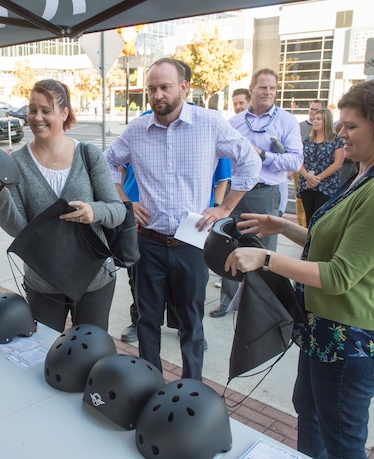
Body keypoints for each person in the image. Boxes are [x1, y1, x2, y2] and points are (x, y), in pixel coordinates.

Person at [225, 79, 374, 459]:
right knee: (310, 416)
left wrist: (266, 258)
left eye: (351, 126)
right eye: (341, 123)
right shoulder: (367, 174)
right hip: (325, 331)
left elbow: (338, 275)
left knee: (342, 440)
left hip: (353, 342)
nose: (340, 133)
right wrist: (282, 226)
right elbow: (332, 241)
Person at [104, 57, 261, 379]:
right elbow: (106, 165)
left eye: (165, 87)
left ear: (184, 87)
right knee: (147, 319)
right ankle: (150, 383)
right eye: (152, 89)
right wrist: (124, 203)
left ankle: (193, 388)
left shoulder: (210, 123)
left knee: (191, 322)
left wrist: (225, 208)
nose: (158, 95)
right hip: (147, 244)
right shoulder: (136, 130)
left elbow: (249, 161)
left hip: (191, 243)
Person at [0, 79, 125, 333]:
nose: (37, 118)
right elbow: (20, 231)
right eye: (32, 109)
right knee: (45, 353)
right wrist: (0, 197)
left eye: (46, 110)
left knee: (90, 352)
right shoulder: (17, 164)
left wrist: (94, 211)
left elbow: (117, 211)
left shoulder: (89, 155)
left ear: (64, 113)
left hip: (95, 278)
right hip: (43, 282)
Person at [210, 68, 303, 318]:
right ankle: (227, 301)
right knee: (229, 243)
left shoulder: (286, 121)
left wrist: (263, 155)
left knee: (264, 249)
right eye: (263, 87)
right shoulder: (236, 122)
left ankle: (260, 306)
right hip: (236, 191)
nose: (268, 92)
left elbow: (295, 162)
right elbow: (219, 156)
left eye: (273, 88)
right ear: (251, 89)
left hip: (265, 192)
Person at [297, 108, 345, 223]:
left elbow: (338, 163)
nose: (315, 121)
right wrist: (308, 177)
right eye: (314, 119)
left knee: (321, 219)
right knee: (309, 218)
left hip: (326, 185)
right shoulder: (306, 140)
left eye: (319, 119)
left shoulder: (336, 140)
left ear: (326, 121)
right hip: (307, 184)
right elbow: (298, 160)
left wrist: (318, 178)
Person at [294, 100, 325, 227]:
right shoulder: (300, 127)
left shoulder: (332, 136)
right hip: (302, 171)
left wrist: (317, 177)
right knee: (301, 202)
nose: (313, 113)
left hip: (321, 176)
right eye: (311, 109)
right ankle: (302, 228)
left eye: (317, 110)